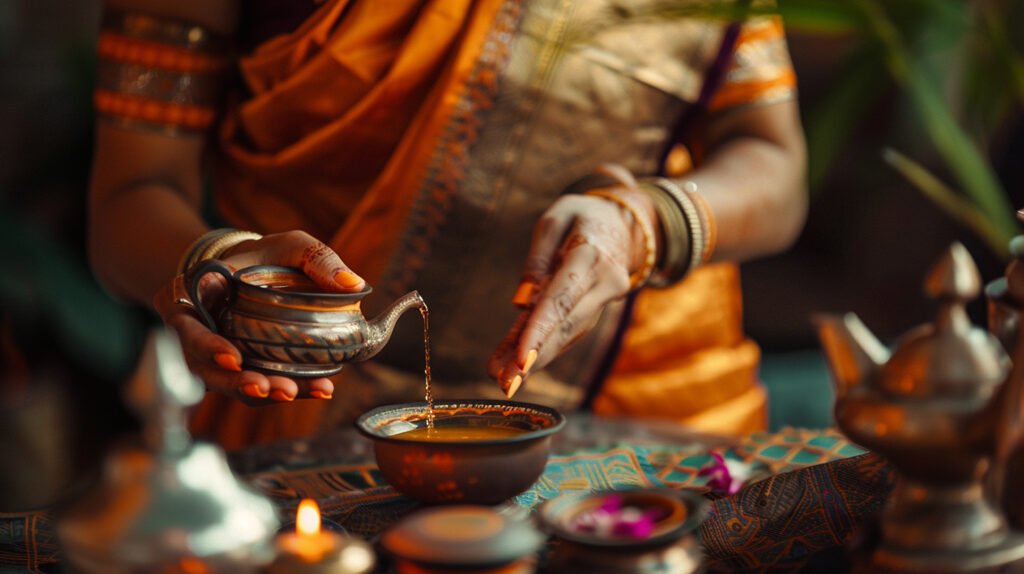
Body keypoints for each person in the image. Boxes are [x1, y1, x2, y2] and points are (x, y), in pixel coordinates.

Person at [88, 0, 807, 450]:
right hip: (299, 397)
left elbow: (775, 168)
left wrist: (642, 223)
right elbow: (132, 194)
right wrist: (216, 269)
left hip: (653, 413)